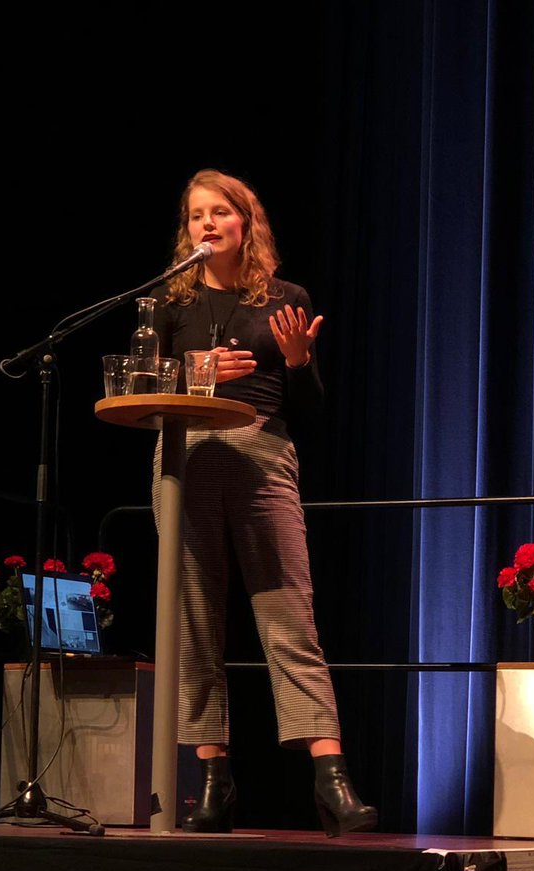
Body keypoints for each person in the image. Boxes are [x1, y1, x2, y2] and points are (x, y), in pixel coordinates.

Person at [150, 168, 376, 837]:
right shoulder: (171, 303)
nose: (207, 225)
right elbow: (146, 380)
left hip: (260, 449)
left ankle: (331, 780)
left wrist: (301, 361)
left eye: (220, 212)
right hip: (185, 456)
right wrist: (196, 373)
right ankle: (214, 782)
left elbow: (311, 411)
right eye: (196, 215)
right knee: (193, 624)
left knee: (288, 615)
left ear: (248, 223)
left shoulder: (282, 298)